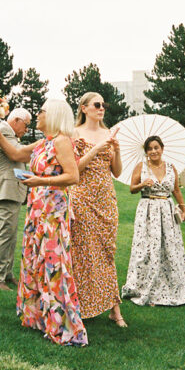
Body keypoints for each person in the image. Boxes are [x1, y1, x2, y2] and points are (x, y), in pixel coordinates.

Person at [0, 100, 87, 346]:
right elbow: (15, 153)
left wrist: (39, 181)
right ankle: (41, 317)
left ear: (52, 115)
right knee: (36, 260)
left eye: (41, 111)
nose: (38, 115)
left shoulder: (62, 141)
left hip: (53, 211)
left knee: (54, 265)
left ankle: (65, 326)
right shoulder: (44, 142)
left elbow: (72, 176)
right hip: (37, 209)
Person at [71, 92, 127, 327]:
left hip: (105, 198)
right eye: (97, 104)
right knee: (83, 253)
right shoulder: (75, 134)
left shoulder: (109, 133)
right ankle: (81, 305)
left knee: (107, 251)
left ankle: (114, 308)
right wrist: (95, 150)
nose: (101, 108)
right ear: (84, 108)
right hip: (82, 198)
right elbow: (74, 169)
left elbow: (117, 172)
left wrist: (115, 151)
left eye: (104, 104)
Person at [121, 136, 185, 307]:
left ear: (162, 148)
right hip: (147, 211)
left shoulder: (171, 167)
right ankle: (143, 287)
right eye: (150, 149)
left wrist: (183, 207)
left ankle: (171, 287)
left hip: (167, 211)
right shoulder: (141, 166)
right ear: (146, 151)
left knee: (169, 247)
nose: (153, 151)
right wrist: (142, 184)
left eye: (156, 147)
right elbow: (132, 189)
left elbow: (176, 189)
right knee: (147, 248)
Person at [0, 108, 32, 291]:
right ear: (16, 120)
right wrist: (46, 143)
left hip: (11, 190)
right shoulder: (4, 130)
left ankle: (7, 273)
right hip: (4, 190)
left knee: (11, 235)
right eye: (26, 125)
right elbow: (19, 153)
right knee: (5, 235)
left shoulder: (8, 132)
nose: (27, 130)